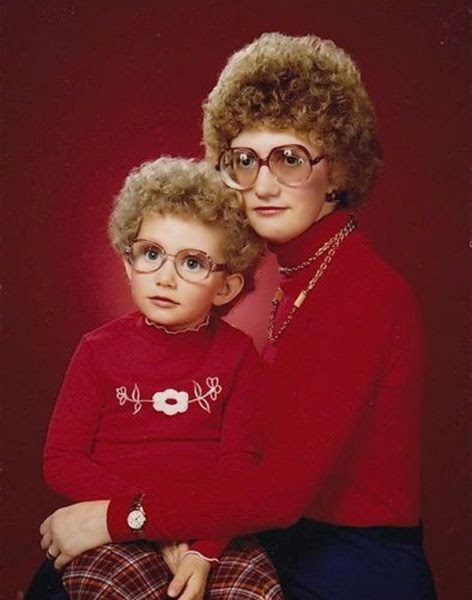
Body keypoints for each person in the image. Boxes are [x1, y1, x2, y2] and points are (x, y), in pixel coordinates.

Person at [39, 33, 437, 599]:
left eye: (290, 159)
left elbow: (276, 493)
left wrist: (117, 517)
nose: (263, 186)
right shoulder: (302, 276)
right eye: (245, 160)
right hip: (282, 537)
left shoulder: (362, 292)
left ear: (339, 170)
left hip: (352, 565)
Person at [32, 157, 283, 599]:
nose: (165, 277)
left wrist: (202, 550)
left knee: (255, 591)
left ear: (226, 287)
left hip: (212, 532)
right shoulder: (97, 350)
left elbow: (238, 468)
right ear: (128, 264)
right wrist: (146, 516)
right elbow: (62, 460)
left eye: (192, 263)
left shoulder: (239, 354)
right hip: (114, 528)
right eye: (151, 254)